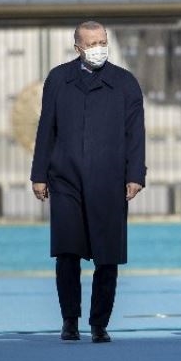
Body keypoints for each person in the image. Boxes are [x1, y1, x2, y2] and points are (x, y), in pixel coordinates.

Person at [30, 20, 146, 343]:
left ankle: (99, 323)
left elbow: (136, 133)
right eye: (91, 43)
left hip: (110, 181)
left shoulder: (125, 83)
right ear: (78, 46)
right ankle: (70, 320)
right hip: (65, 179)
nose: (98, 48)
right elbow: (46, 129)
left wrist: (135, 174)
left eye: (102, 41)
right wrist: (39, 174)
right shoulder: (58, 79)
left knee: (106, 257)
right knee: (67, 254)